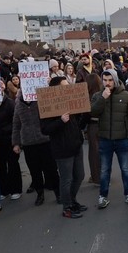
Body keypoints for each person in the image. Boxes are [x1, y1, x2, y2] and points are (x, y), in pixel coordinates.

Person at [91, 69, 128, 209]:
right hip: (105, 139)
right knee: (105, 169)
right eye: (105, 80)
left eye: (110, 80)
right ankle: (103, 196)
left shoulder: (127, 96)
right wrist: (102, 98)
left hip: (122, 140)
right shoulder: (98, 95)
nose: (107, 83)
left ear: (115, 80)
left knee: (125, 168)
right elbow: (93, 112)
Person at [40, 77, 87, 219]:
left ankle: (72, 201)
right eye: (65, 86)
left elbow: (79, 122)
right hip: (62, 148)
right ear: (56, 89)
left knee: (79, 176)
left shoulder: (70, 102)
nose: (68, 88)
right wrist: (60, 121)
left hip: (76, 144)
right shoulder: (48, 105)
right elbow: (45, 129)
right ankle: (67, 207)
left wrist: (84, 111)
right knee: (66, 179)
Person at [13, 89, 60, 206]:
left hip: (44, 140)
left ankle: (58, 192)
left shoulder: (40, 100)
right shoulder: (18, 104)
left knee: (51, 169)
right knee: (34, 171)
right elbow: (16, 124)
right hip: (28, 143)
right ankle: (40, 194)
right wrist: (16, 143)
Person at [0, 90, 22, 200]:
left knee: (13, 164)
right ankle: (3, 190)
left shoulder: (10, 103)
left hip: (9, 139)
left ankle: (15, 189)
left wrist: (17, 142)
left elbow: (16, 123)